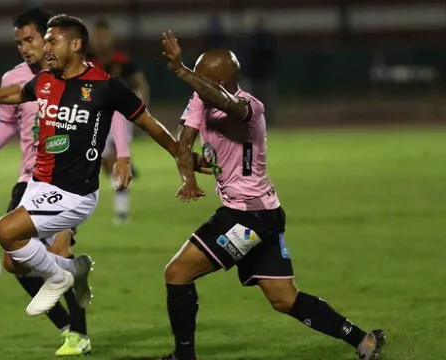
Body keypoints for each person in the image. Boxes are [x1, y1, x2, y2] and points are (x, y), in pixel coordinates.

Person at [0, 15, 196, 321]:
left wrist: (178, 153)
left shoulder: (105, 86)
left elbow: (146, 121)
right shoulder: (47, 80)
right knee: (14, 262)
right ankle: (73, 269)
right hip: (40, 184)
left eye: (53, 40)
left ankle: (60, 281)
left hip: (74, 192)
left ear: (76, 44)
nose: (46, 47)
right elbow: (17, 92)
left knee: (4, 230)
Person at [159, 31, 386, 360]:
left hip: (247, 216)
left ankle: (184, 356)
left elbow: (228, 103)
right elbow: (184, 142)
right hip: (262, 214)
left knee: (177, 273)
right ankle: (363, 340)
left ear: (220, 81)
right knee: (284, 298)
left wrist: (181, 71)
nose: (194, 85)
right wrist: (188, 177)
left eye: (200, 79)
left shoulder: (250, 108)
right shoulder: (201, 98)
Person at [0, 9, 130, 356]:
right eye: (19, 42)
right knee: (14, 262)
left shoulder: (80, 77)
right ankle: (67, 323)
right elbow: (7, 123)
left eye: (30, 39)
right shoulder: (16, 78)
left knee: (59, 252)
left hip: (67, 182)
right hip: (29, 181)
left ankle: (78, 335)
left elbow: (112, 110)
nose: (25, 48)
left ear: (50, 38)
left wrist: (123, 154)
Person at [90, 18, 150, 224]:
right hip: (97, 115)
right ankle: (124, 176)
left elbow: (140, 84)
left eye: (103, 35)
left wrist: (141, 112)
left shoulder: (123, 61)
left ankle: (122, 212)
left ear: (110, 37)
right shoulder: (86, 61)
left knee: (118, 156)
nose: (100, 39)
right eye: (96, 35)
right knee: (106, 161)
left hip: (121, 115)